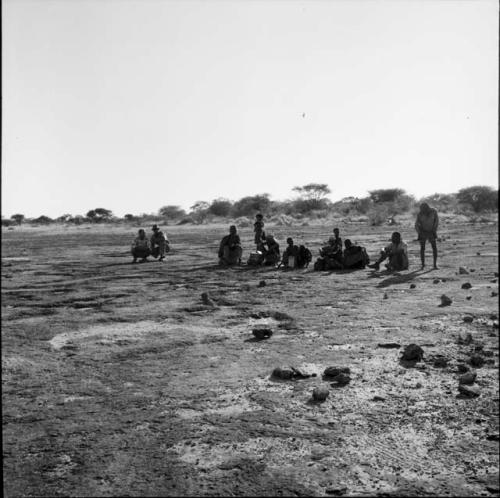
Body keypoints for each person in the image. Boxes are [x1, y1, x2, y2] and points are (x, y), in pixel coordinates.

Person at [415, 202, 439, 269]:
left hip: (431, 231)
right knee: (422, 248)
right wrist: (419, 232)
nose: (422, 210)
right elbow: (417, 224)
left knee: (434, 248)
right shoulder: (420, 214)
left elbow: (436, 221)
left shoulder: (433, 212)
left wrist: (434, 230)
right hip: (423, 232)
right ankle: (423, 265)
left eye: (423, 208)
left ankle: (435, 265)